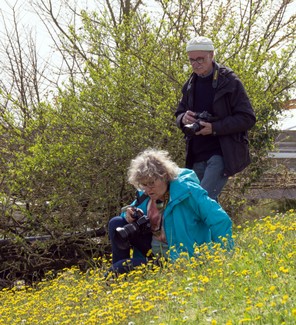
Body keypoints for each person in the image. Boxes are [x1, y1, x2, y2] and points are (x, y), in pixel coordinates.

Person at [108, 148, 233, 274]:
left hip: (178, 259)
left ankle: (119, 276)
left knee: (120, 267)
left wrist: (222, 258)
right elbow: (127, 214)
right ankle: (123, 279)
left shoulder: (188, 191)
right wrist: (128, 215)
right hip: (152, 252)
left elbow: (220, 220)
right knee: (116, 223)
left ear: (165, 176)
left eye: (151, 183)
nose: (148, 189)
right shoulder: (145, 195)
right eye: (143, 184)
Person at [175, 36, 256, 201]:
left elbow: (247, 118)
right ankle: (219, 228)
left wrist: (214, 128)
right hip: (196, 154)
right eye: (192, 60)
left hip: (222, 152)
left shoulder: (229, 82)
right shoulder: (189, 84)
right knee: (198, 203)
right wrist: (183, 118)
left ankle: (218, 227)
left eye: (200, 59)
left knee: (201, 200)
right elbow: (178, 114)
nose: (196, 64)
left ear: (212, 55)